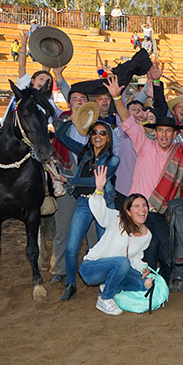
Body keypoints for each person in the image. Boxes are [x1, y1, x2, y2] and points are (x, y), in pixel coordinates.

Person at [112, 75, 183, 290]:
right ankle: (144, 284)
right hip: (138, 211)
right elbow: (127, 121)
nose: (164, 134)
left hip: (161, 212)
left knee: (165, 249)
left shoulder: (181, 153)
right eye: (160, 130)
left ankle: (165, 281)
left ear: (174, 134)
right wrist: (117, 97)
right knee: (144, 249)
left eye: (168, 131)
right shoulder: (143, 145)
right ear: (155, 132)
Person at [55, 121, 119, 302]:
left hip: (104, 205)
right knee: (71, 247)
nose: (98, 136)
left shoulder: (113, 159)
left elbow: (95, 181)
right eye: (94, 132)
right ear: (90, 136)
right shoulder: (84, 151)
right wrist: (76, 118)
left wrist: (69, 180)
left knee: (105, 248)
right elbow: (60, 135)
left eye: (103, 133)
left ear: (108, 138)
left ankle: (105, 283)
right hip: (84, 202)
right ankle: (70, 284)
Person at [78, 166, 154, 316]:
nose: (142, 209)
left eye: (144, 206)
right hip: (92, 268)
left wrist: (143, 268)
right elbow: (100, 212)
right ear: (128, 211)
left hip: (118, 268)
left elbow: (135, 258)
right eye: (137, 206)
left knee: (146, 284)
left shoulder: (147, 235)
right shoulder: (116, 218)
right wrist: (99, 190)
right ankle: (105, 299)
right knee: (122, 263)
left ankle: (107, 286)